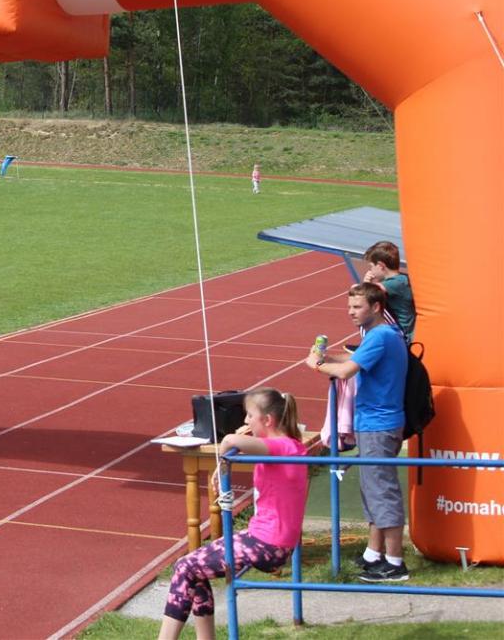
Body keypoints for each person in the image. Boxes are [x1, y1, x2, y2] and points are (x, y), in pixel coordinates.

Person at [159, 388, 308, 640]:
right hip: (266, 538)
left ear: (267, 420)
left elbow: (229, 440)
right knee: (193, 570)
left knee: (185, 567)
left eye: (249, 416)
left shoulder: (283, 446)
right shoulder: (288, 446)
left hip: (267, 543)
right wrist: (235, 446)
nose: (246, 421)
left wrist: (229, 449)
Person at [306, 282, 409, 581]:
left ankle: (395, 563)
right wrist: (327, 359)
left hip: (379, 424)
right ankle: (374, 555)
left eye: (357, 307)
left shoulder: (380, 336)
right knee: (372, 490)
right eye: (349, 307)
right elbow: (351, 360)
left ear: (376, 307)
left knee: (382, 492)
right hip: (374, 422)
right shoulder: (382, 334)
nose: (351, 312)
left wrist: (316, 365)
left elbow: (346, 371)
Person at [362, 240, 415, 344]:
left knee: (365, 309)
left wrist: (366, 283)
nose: (370, 271)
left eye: (371, 266)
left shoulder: (394, 283)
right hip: (403, 334)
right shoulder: (402, 279)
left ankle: (369, 343)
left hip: (403, 337)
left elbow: (365, 295)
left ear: (381, 266)